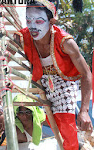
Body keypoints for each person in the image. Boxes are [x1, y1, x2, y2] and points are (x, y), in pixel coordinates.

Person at [18, 0, 93, 149]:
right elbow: (5, 54)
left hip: (64, 83)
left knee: (66, 124)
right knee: (48, 123)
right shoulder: (24, 36)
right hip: (42, 83)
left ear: (51, 21)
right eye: (28, 20)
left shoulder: (65, 42)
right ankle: (78, 144)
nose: (32, 26)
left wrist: (84, 111)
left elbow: (86, 74)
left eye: (39, 21)